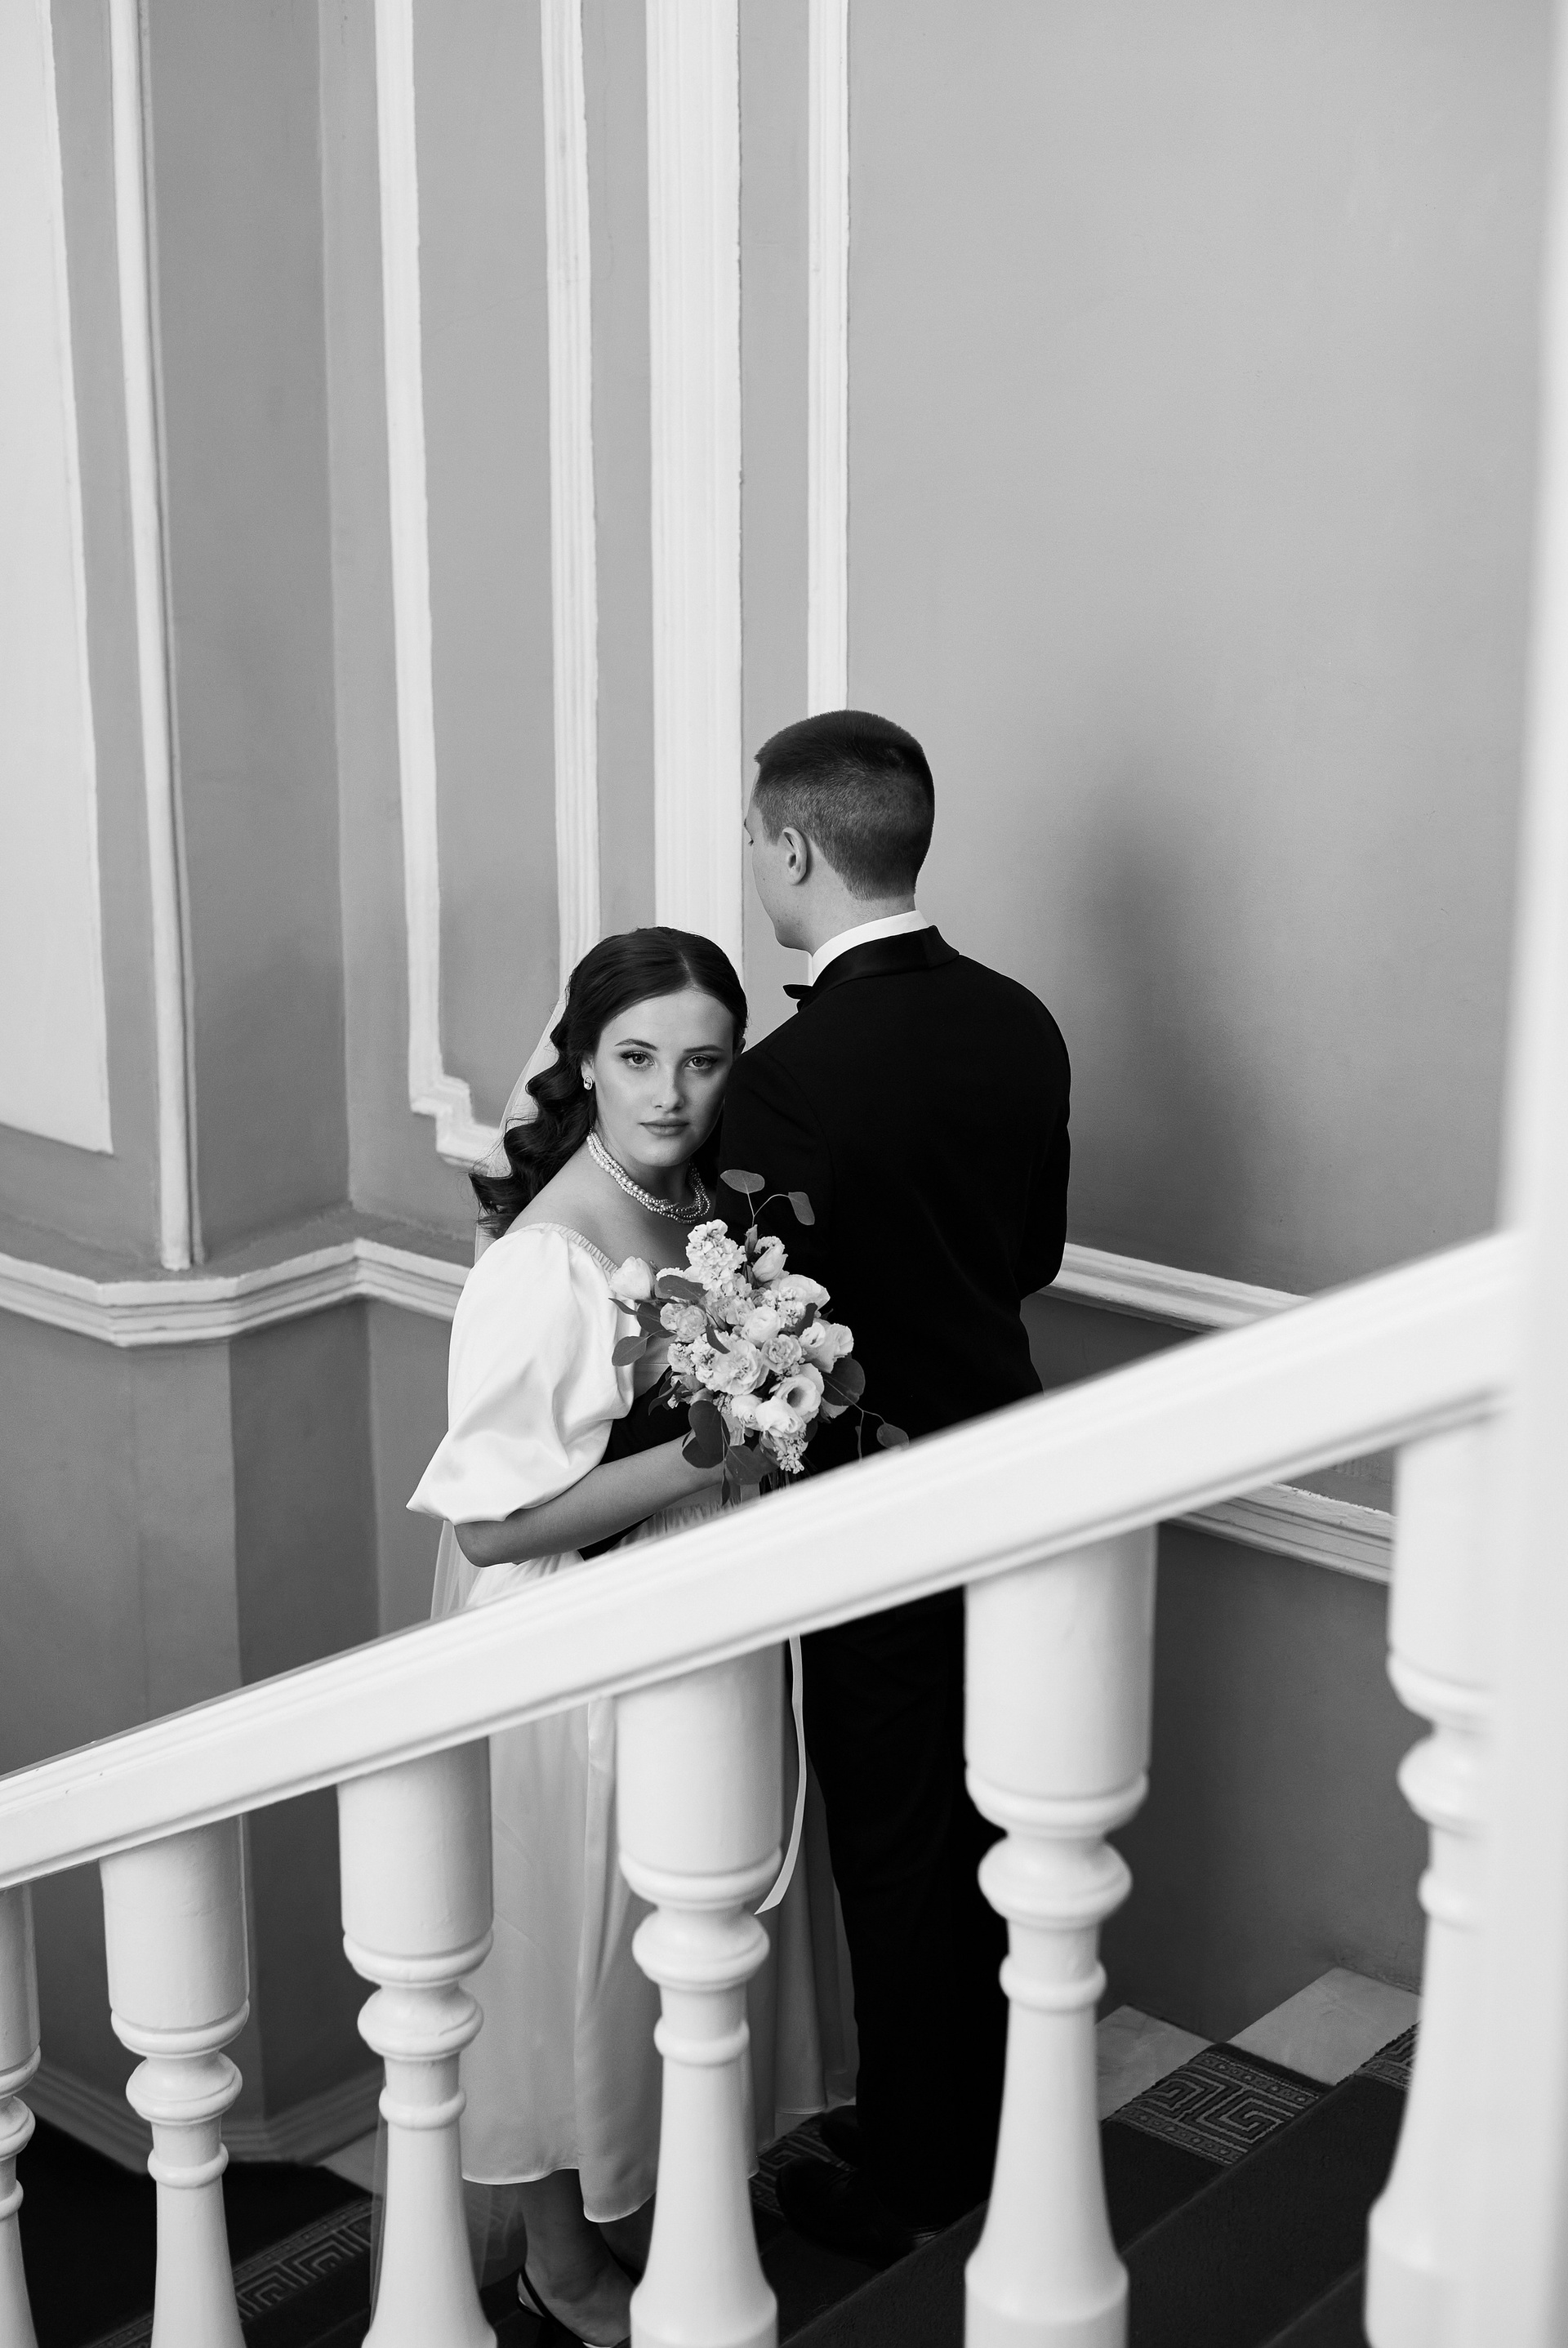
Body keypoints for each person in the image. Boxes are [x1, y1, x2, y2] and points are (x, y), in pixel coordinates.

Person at [408, 928, 849, 2348]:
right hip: (576, 1649)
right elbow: (493, 1527)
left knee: (681, 1930)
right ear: (586, 1063)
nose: (671, 1093)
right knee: (571, 1951)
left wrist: (776, 1416)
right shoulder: (547, 1259)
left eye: (703, 1062)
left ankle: (647, 2197)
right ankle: (561, 2258)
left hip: (697, 1617)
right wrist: (721, 1446)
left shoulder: (709, 1210)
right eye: (639, 1058)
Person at [718, 710, 1071, 2264]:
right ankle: (978, 2112)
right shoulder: (1022, 1020)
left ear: (796, 847)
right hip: (1015, 1466)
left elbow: (765, 1347)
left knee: (897, 1835)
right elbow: (1032, 1256)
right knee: (996, 1813)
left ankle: (919, 2169)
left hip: (872, 1502)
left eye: (755, 839)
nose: (755, 861)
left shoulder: (783, 1083)